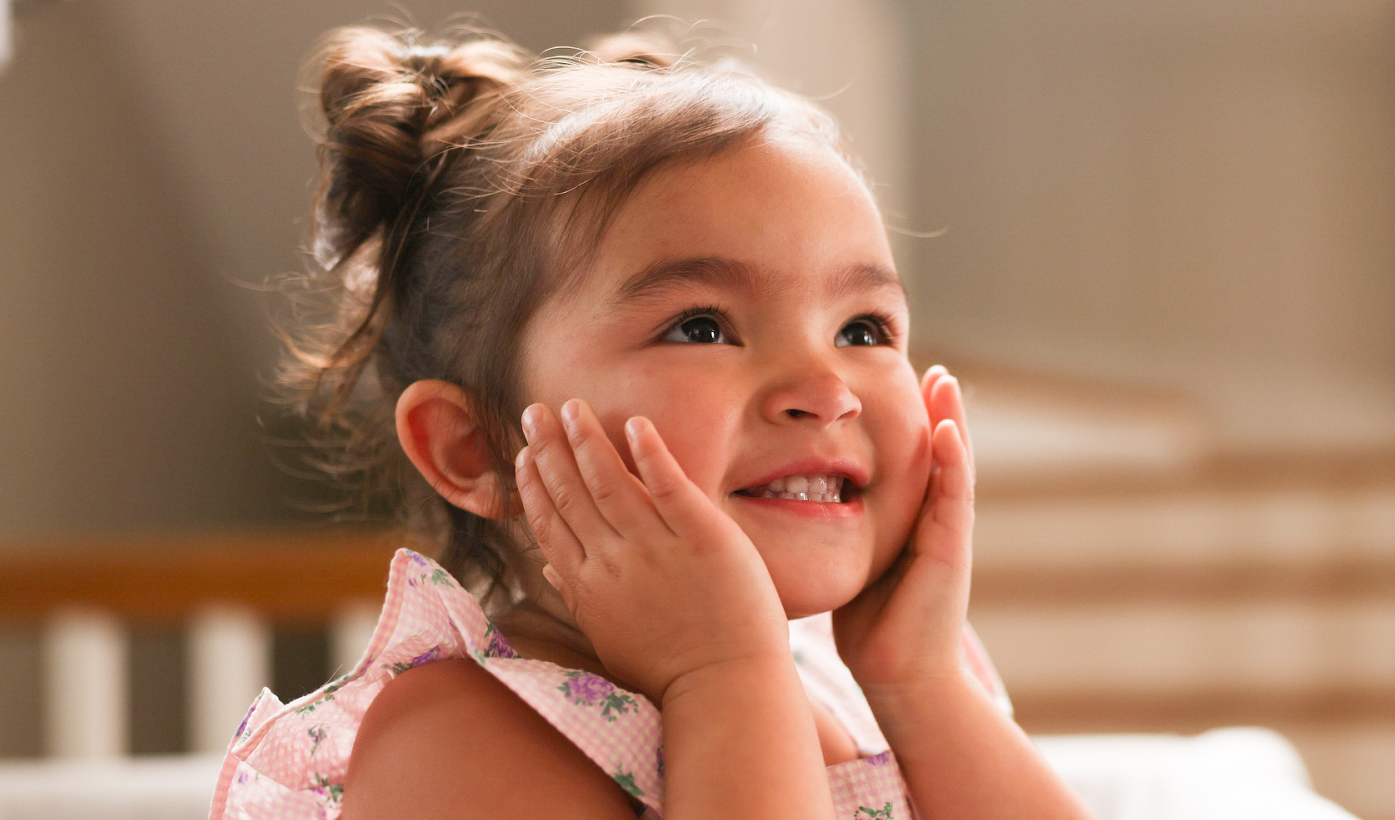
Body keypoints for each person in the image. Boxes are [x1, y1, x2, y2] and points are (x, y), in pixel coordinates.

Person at [210, 22, 1094, 820]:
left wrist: (921, 682)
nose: (825, 389)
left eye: (861, 329)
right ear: (477, 447)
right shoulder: (464, 733)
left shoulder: (862, 689)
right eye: (700, 326)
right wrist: (725, 680)